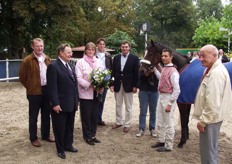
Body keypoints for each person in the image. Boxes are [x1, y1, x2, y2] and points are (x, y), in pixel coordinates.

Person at [193, 44, 232, 164]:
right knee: (209, 151)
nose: (200, 59)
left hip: (210, 119)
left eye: (204, 56)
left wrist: (203, 121)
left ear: (215, 56)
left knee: (208, 153)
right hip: (211, 118)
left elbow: (213, 102)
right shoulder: (211, 69)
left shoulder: (216, 73)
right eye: (200, 56)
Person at [19, 38, 54, 147]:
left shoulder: (47, 59)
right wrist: (30, 87)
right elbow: (22, 77)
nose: (40, 48)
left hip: (46, 91)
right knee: (33, 116)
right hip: (34, 92)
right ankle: (33, 138)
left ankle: (45, 135)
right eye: (37, 46)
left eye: (41, 46)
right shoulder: (27, 60)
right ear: (33, 47)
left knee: (46, 115)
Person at [47, 44, 79, 159]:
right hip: (60, 104)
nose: (71, 54)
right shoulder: (53, 66)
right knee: (59, 128)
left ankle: (68, 145)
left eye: (71, 52)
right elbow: (52, 87)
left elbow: (74, 84)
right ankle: (60, 149)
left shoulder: (70, 65)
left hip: (71, 102)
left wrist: (76, 100)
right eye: (69, 52)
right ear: (61, 53)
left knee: (69, 126)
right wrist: (55, 103)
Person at [151, 48, 180, 152]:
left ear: (171, 57)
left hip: (168, 97)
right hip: (162, 96)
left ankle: (168, 145)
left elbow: (177, 90)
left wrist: (170, 103)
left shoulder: (173, 71)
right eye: (162, 56)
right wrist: (155, 69)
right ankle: (161, 140)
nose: (163, 58)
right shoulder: (165, 69)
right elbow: (162, 78)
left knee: (169, 122)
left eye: (166, 56)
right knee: (161, 120)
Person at [76, 42, 104, 146]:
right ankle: (87, 136)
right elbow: (78, 78)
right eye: (89, 49)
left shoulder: (99, 61)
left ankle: (93, 135)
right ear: (85, 51)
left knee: (94, 116)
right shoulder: (80, 62)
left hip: (96, 94)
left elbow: (103, 74)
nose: (90, 51)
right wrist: (90, 85)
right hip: (85, 93)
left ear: (95, 51)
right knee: (86, 116)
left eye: (92, 50)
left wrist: (101, 86)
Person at [110, 40, 139, 133]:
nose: (124, 48)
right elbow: (113, 72)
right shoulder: (116, 58)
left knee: (128, 106)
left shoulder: (134, 58)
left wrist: (135, 85)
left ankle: (127, 124)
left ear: (129, 47)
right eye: (123, 47)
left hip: (129, 85)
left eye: (126, 47)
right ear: (120, 47)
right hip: (118, 84)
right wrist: (111, 84)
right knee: (118, 104)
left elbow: (136, 73)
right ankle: (119, 122)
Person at [136, 61, 159, 138]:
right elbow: (140, 77)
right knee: (143, 111)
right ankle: (141, 128)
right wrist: (149, 71)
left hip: (154, 90)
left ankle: (152, 128)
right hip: (144, 90)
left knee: (153, 111)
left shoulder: (157, 65)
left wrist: (155, 70)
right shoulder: (142, 65)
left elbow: (161, 77)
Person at [96, 38, 112, 126]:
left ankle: (99, 118)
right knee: (95, 100)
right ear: (97, 45)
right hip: (95, 79)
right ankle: (93, 119)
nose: (101, 46)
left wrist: (109, 80)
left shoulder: (108, 56)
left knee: (101, 100)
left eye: (103, 44)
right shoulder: (94, 55)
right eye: (100, 44)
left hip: (105, 79)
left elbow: (110, 68)